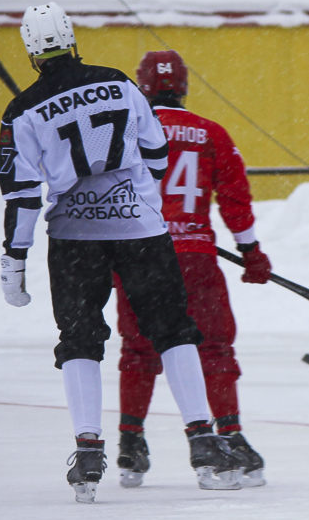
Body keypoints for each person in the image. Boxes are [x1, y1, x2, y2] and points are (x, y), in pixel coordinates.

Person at [0, 4, 242, 502]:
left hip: (72, 234)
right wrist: (135, 194)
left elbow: (20, 194)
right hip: (139, 228)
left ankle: (89, 450)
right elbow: (155, 150)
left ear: (30, 52)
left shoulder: (22, 110)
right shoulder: (118, 83)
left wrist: (14, 258)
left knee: (80, 338)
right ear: (72, 39)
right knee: (173, 329)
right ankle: (203, 439)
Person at [112, 50, 271, 488]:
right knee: (214, 348)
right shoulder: (210, 133)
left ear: (141, 87)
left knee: (139, 349)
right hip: (196, 257)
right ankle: (231, 437)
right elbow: (235, 197)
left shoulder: (124, 133)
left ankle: (130, 442)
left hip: (137, 254)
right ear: (183, 87)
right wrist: (251, 251)